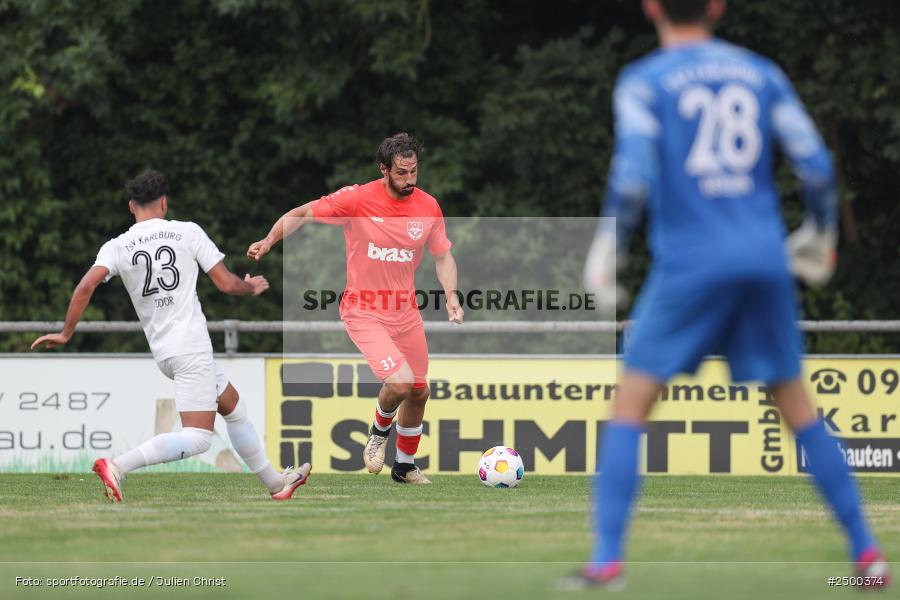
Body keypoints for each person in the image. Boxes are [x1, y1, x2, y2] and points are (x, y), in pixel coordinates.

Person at [568, 0, 889, 590]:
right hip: (763, 259)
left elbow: (633, 173)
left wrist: (606, 248)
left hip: (690, 262)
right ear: (717, 7)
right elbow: (816, 165)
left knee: (631, 407)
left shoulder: (644, 81)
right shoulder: (760, 72)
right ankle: (868, 556)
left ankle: (606, 561)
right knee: (798, 410)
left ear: (650, 8)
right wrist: (819, 234)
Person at [31, 170, 311, 502]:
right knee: (198, 439)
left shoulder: (117, 246)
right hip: (191, 346)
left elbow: (85, 286)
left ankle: (276, 484)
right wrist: (250, 287)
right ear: (164, 202)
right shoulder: (187, 232)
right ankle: (117, 465)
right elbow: (225, 283)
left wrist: (66, 332)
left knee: (233, 406)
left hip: (165, 351)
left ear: (131, 206)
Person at [248, 133, 463, 484]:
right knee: (400, 383)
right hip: (364, 311)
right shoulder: (358, 198)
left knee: (420, 390)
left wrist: (451, 296)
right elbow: (302, 213)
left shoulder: (428, 206)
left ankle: (405, 466)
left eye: (414, 172)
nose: (410, 180)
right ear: (384, 169)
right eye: (402, 173)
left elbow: (443, 257)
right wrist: (269, 240)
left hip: (406, 313)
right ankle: (379, 434)